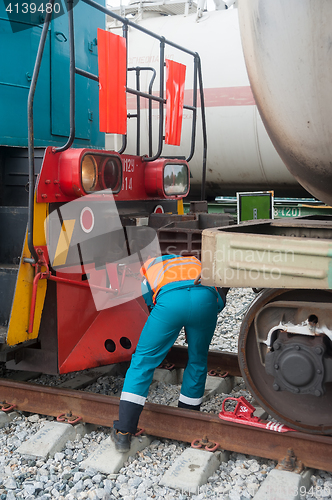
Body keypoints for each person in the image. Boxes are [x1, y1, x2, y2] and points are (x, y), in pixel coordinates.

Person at [111, 253, 228, 452]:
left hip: (171, 303)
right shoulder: (194, 261)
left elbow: (150, 303)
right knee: (198, 360)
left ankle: (123, 432)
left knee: (142, 362)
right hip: (205, 299)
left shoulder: (149, 266)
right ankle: (187, 421)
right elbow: (219, 299)